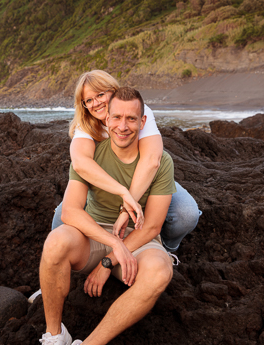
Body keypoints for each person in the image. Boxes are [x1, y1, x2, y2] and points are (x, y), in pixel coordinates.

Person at [34, 87, 176, 345]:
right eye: (116, 118)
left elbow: (152, 226)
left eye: (130, 119)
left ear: (143, 121)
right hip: (96, 234)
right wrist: (112, 243)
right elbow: (70, 212)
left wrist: (108, 262)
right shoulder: (90, 156)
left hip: (139, 239)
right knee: (56, 241)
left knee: (160, 272)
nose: (122, 126)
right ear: (105, 118)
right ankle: (55, 336)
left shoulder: (159, 161)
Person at [52, 69, 200, 250]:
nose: (96, 103)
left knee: (186, 214)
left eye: (100, 95)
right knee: (62, 216)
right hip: (104, 182)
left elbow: (152, 160)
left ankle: (168, 248)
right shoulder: (86, 124)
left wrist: (125, 209)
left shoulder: (138, 112)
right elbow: (81, 164)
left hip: (146, 177)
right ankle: (70, 259)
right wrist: (123, 193)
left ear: (113, 90)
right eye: (88, 100)